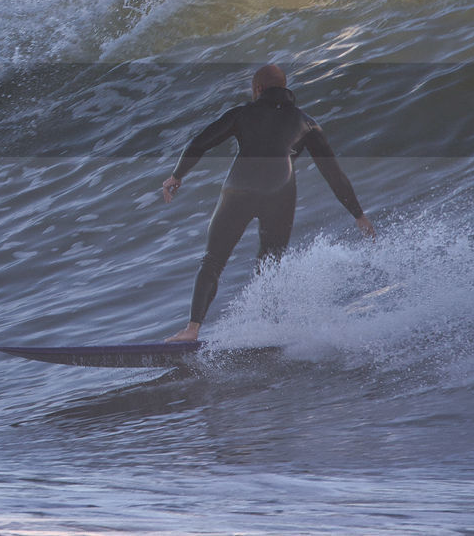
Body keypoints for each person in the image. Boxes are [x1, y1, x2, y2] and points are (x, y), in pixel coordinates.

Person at [160, 64, 375, 342]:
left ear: (258, 89)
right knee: (269, 265)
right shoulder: (306, 122)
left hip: (238, 190)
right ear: (285, 89)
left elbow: (201, 142)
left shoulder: (242, 114)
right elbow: (333, 173)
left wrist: (177, 175)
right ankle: (267, 331)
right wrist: (358, 214)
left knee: (212, 261)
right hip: (280, 193)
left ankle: (192, 330)